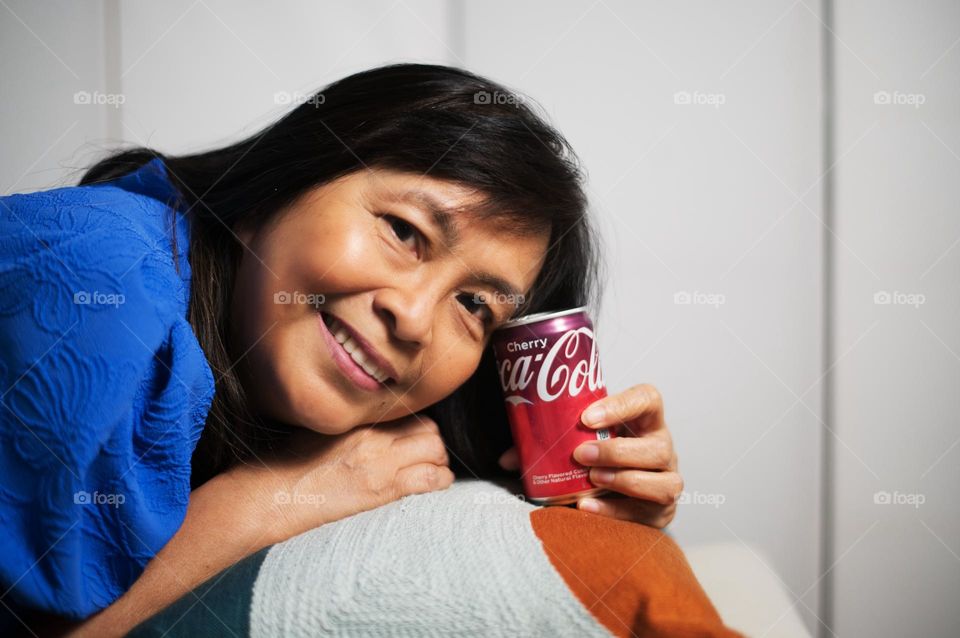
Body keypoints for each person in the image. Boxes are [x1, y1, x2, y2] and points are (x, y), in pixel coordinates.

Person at [0, 63, 683, 636]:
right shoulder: (103, 280)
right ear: (275, 187)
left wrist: (603, 503)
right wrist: (273, 499)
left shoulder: (329, 403)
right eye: (405, 231)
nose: (415, 319)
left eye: (475, 305)